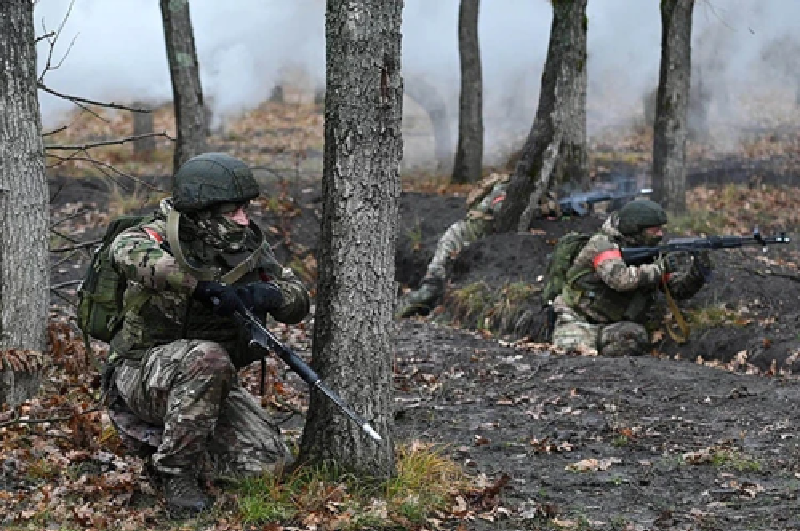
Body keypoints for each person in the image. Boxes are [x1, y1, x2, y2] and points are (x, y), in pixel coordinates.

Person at [102, 152, 310, 514]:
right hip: (140, 373)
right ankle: (175, 472)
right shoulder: (157, 234)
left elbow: (298, 300)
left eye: (245, 209)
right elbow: (127, 252)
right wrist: (198, 287)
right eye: (234, 213)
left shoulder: (246, 248)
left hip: (206, 385)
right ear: (204, 213)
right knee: (209, 357)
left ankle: (177, 443)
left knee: (267, 464)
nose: (244, 220)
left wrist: (268, 294)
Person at [551, 199, 711, 356]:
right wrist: (661, 268)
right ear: (636, 229)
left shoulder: (650, 251)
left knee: (634, 337)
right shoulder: (602, 244)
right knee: (573, 351)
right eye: (654, 230)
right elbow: (620, 280)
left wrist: (697, 272)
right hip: (577, 319)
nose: (660, 234)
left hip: (613, 325)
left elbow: (676, 290)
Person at [396, 172, 560, 318]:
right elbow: (499, 207)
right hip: (464, 233)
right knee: (435, 278)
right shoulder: (506, 187)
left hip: (475, 235)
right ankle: (417, 299)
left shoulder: (533, 192)